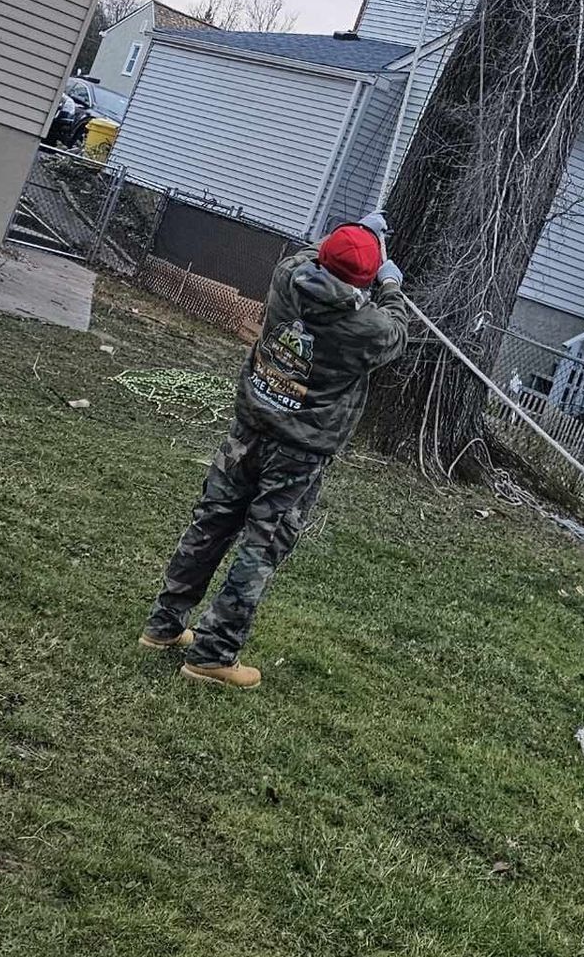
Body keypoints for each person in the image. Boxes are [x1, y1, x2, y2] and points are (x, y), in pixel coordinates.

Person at [139, 219, 408, 689]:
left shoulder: (287, 276)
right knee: (261, 546)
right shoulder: (364, 328)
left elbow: (311, 254)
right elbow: (397, 330)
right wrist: (389, 280)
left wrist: (358, 234)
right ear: (360, 284)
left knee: (212, 523)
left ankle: (164, 626)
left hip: (249, 428)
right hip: (298, 454)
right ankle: (214, 654)